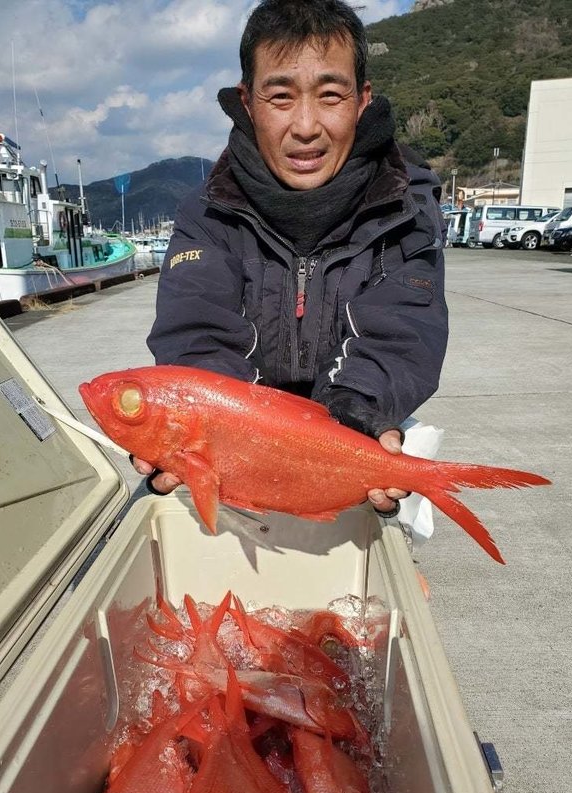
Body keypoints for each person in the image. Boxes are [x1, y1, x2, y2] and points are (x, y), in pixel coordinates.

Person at [133, 0, 448, 518]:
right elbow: (196, 331)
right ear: (248, 102)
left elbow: (403, 334)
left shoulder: (406, 206)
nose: (306, 126)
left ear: (363, 100)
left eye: (330, 95)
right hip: (240, 445)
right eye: (280, 96)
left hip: (358, 433)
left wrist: (354, 421)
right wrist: (216, 433)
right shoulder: (206, 213)